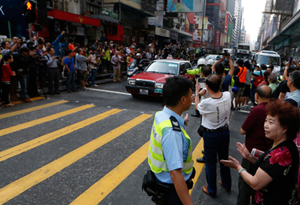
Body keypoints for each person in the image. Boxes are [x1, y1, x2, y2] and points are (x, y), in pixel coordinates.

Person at [221, 100, 299, 205]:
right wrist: (249, 157)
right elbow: (269, 168)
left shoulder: (281, 154)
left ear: (284, 128)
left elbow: (255, 183)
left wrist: (238, 167)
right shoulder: (284, 144)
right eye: (266, 120)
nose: (265, 125)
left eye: (271, 122)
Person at [147, 76, 194, 205]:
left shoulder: (161, 115)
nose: (193, 97)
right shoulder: (172, 132)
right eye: (191, 94)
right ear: (183, 100)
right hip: (172, 191)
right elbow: (175, 173)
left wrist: (181, 122)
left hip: (160, 181)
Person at [236, 85, 273, 205]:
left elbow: (243, 130)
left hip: (251, 153)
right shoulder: (273, 109)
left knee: (245, 185)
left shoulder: (257, 110)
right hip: (268, 153)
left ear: (257, 96)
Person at [197, 74, 232, 198]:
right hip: (224, 132)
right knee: (224, 160)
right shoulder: (227, 95)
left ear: (206, 86)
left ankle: (212, 189)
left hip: (210, 135)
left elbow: (197, 107)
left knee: (211, 163)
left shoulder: (206, 103)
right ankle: (227, 183)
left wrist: (198, 93)